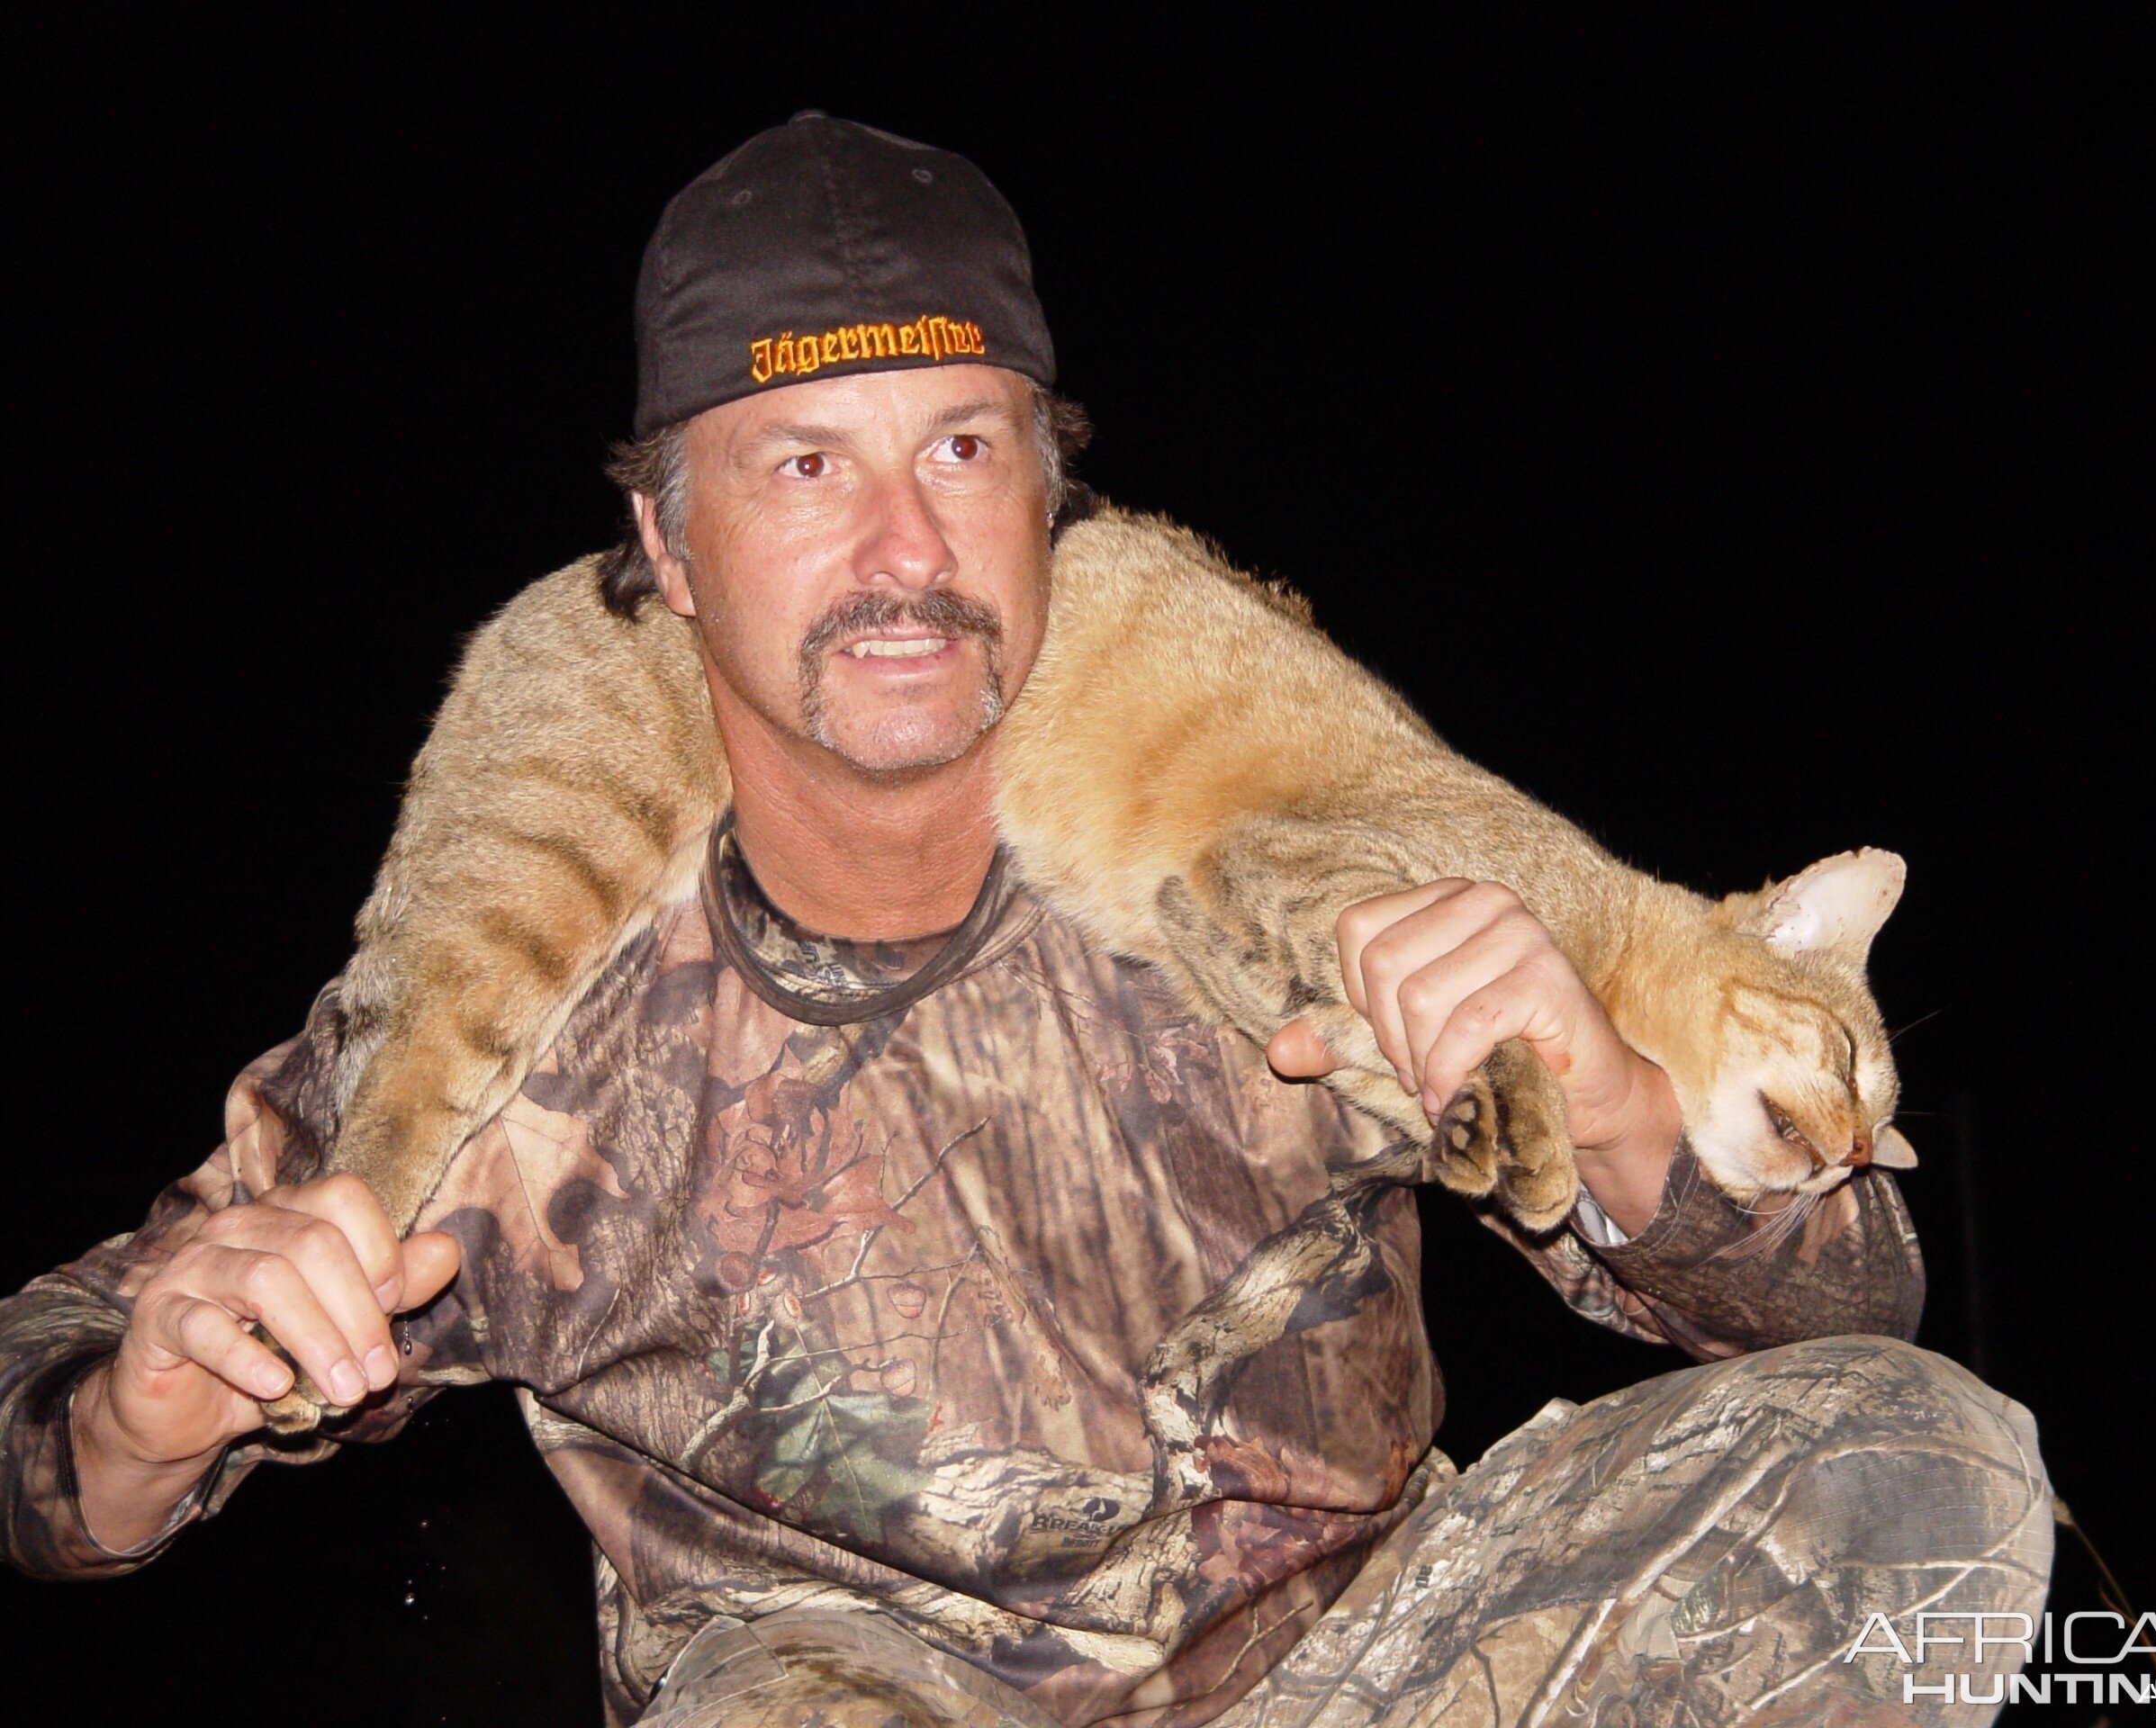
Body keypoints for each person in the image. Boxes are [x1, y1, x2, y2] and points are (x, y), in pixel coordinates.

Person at [0, 114, 2051, 1726]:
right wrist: (130, 1421)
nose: (904, 547)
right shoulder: (522, 1026)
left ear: (1045, 502)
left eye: (962, 449)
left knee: (1911, 1467)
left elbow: (1840, 1308)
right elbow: (54, 1381)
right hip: (847, 1696)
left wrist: (1609, 1112)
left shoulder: (1263, 855)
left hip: (1365, 1673)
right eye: (803, 462)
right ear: (668, 544)